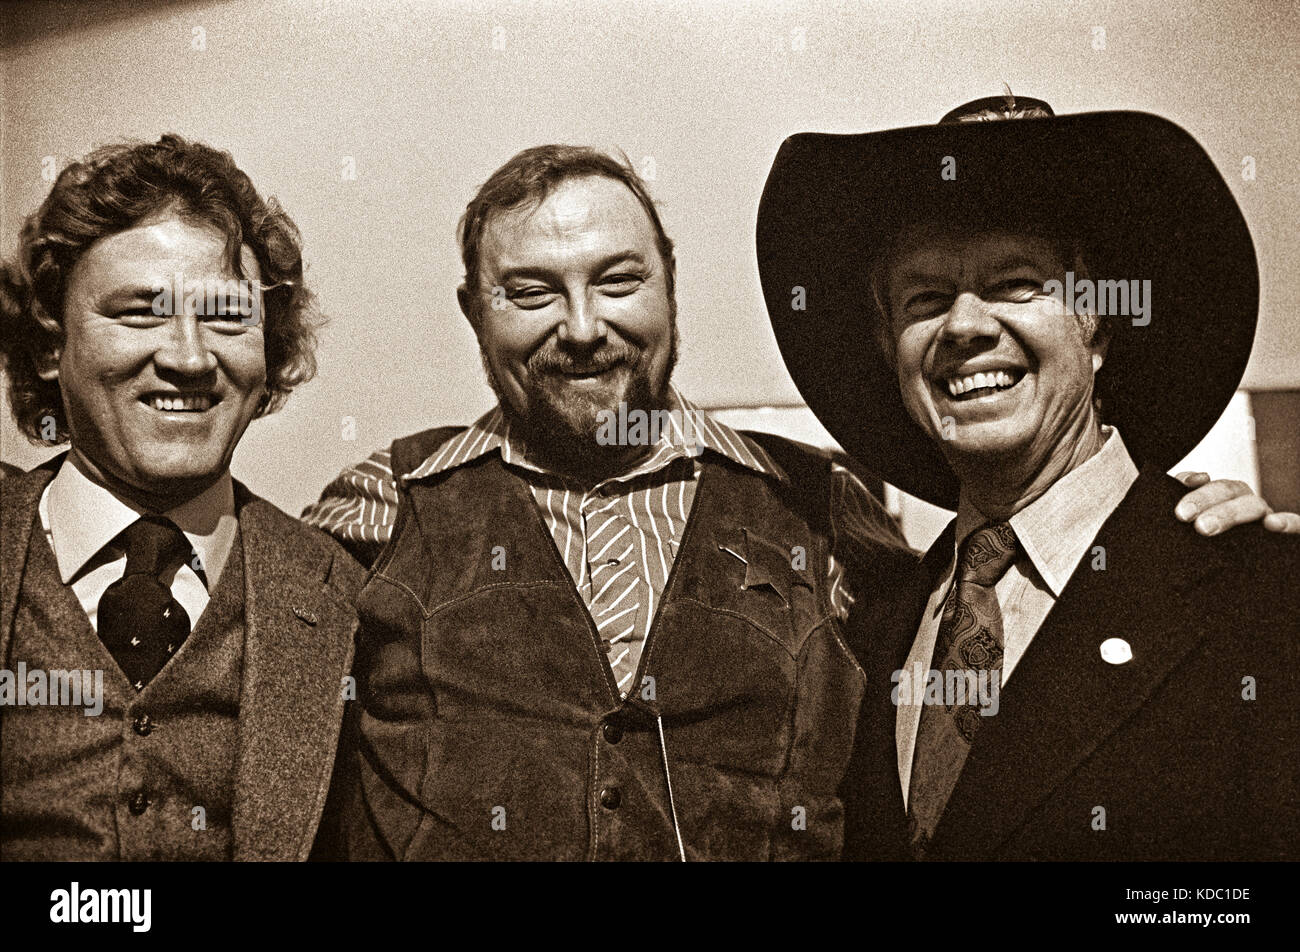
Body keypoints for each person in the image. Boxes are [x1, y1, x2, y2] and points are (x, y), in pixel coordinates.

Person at [306, 143, 1284, 860]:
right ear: (475, 309)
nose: (583, 327)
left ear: (669, 290)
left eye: (617, 280)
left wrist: (1197, 549)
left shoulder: (826, 513)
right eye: (529, 290)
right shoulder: (374, 509)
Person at [757, 94, 1300, 860]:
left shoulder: (1268, 599)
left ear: (1098, 322)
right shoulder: (870, 635)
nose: (966, 325)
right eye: (926, 299)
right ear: (888, 347)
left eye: (1016, 284)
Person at [0, 135, 364, 861]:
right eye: (138, 312)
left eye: (229, 318)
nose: (189, 358)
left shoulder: (347, 600)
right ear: (49, 345)